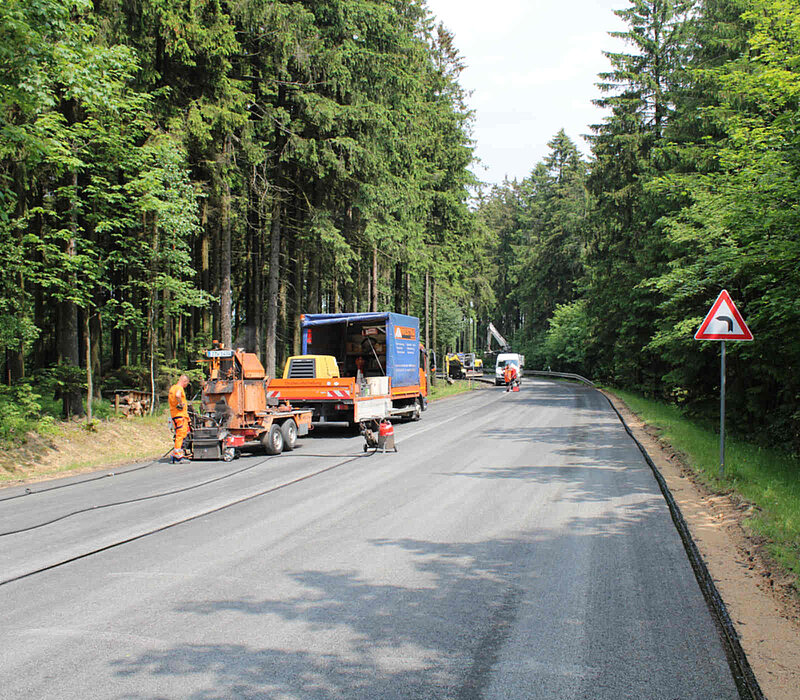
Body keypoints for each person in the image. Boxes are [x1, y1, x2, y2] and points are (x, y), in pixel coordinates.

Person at [168, 374, 191, 462]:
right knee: (181, 435)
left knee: (178, 435)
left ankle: (175, 456)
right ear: (184, 381)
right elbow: (178, 395)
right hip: (181, 415)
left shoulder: (172, 388)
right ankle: (178, 457)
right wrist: (181, 404)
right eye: (186, 384)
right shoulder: (179, 388)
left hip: (174, 415)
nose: (185, 386)